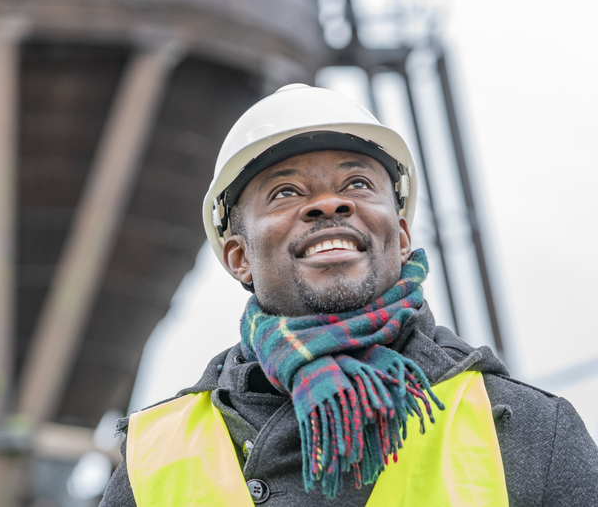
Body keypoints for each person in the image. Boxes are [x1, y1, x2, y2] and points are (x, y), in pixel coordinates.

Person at [100, 84, 598, 506]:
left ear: (401, 238)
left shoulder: (531, 431)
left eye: (357, 183)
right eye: (286, 192)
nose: (329, 203)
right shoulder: (154, 458)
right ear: (238, 257)